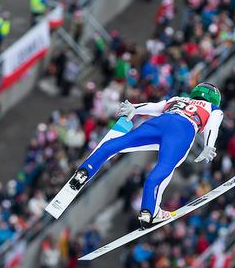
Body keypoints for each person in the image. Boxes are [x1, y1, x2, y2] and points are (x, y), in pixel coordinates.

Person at [69, 83, 224, 228]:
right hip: (182, 131)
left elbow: (155, 107)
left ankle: (84, 171)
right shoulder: (213, 109)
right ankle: (149, 212)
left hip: (160, 121)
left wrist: (134, 108)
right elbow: (213, 126)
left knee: (118, 144)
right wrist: (209, 145)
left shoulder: (179, 99)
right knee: (164, 168)